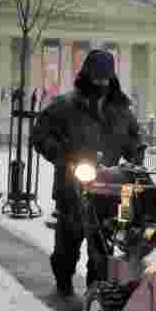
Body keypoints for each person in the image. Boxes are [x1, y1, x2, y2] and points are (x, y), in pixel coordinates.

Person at [30, 50, 143, 297]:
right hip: (72, 187)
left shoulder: (121, 111)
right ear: (87, 76)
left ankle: (97, 292)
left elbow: (134, 140)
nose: (101, 84)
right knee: (68, 244)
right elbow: (40, 135)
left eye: (106, 78)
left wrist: (136, 157)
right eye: (97, 78)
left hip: (108, 189)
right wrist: (62, 156)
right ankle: (63, 280)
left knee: (102, 248)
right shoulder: (65, 106)